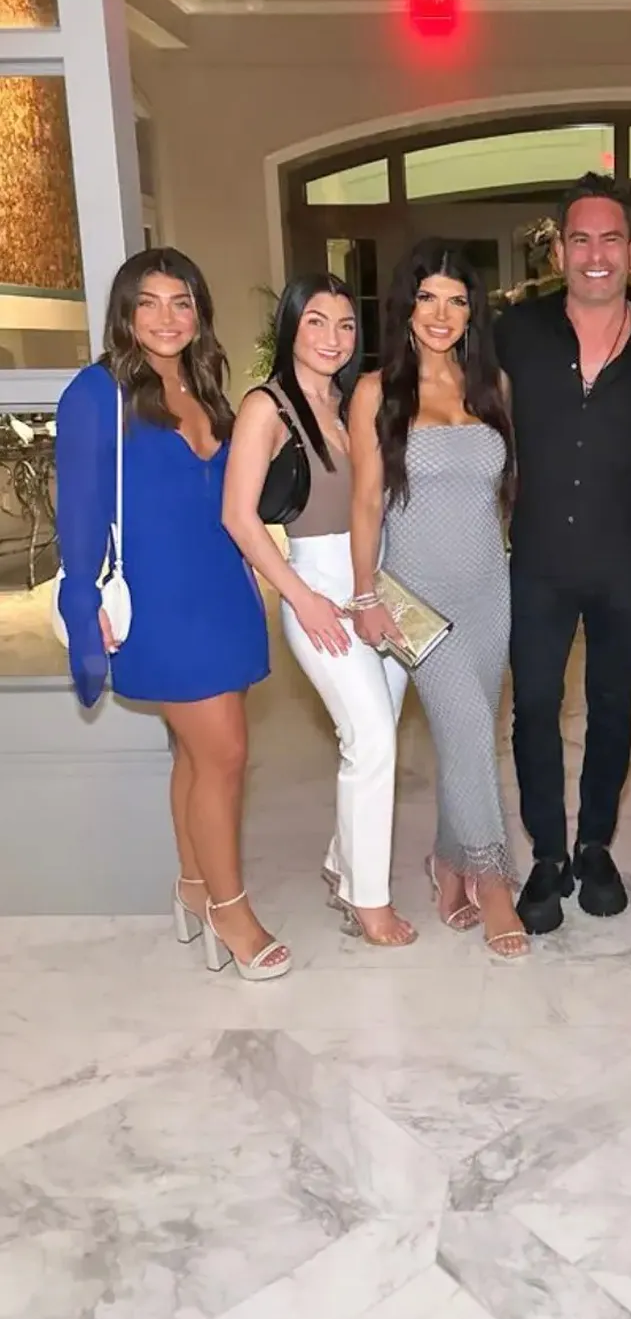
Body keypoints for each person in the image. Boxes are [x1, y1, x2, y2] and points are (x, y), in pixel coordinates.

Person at [55, 248, 288, 981]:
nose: (165, 318)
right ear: (125, 314)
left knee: (197, 755)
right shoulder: (96, 392)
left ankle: (193, 887)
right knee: (225, 755)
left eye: (181, 302)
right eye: (148, 303)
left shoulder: (206, 384)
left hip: (223, 592)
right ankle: (231, 909)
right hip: (158, 604)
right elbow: (78, 510)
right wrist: (80, 601)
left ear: (198, 313)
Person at [495, 173, 631, 935]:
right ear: (559, 251)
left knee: (612, 707)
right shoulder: (516, 332)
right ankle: (547, 854)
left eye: (611, 239)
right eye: (580, 239)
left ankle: (595, 843)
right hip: (537, 557)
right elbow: (450, 395)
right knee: (535, 707)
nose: (595, 254)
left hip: (627, 561)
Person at [348, 240, 528, 958]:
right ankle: (494, 883)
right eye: (428, 298)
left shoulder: (493, 386)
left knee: (470, 735)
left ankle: (447, 864)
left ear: (472, 312)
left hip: (488, 586)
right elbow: (367, 502)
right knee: (468, 725)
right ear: (407, 306)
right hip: (415, 594)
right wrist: (364, 595)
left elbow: (503, 493)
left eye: (457, 300)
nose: (442, 314)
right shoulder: (377, 391)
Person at [223, 274, 414, 947]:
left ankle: (343, 861)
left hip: (379, 584)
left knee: (378, 733)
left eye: (345, 325)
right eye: (316, 322)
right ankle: (369, 901)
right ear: (291, 327)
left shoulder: (356, 401)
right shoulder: (267, 407)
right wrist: (300, 598)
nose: (333, 338)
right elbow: (238, 517)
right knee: (372, 738)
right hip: (318, 584)